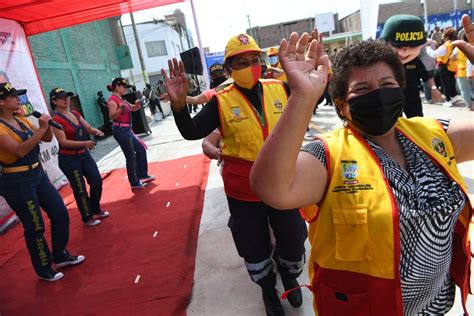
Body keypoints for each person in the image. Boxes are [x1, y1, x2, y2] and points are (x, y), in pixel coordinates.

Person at [250, 33, 473, 315]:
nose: (378, 94)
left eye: (387, 84)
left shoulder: (432, 134)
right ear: (342, 105)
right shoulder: (329, 155)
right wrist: (303, 98)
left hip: (435, 306)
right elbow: (271, 188)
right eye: (363, 89)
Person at [162, 33, 308, 316]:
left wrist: (308, 76)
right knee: (254, 247)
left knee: (293, 239)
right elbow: (192, 132)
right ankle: (268, 289)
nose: (251, 66)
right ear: (229, 70)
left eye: (255, 60)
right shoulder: (220, 100)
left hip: (282, 183)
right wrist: (179, 107)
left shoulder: (281, 88)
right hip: (243, 191)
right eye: (242, 62)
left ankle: (289, 276)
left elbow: (311, 104)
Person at [0, 83, 85, 282]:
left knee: (60, 213)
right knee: (35, 225)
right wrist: (41, 130)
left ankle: (60, 254)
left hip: (38, 174)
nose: (18, 99)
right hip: (17, 181)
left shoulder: (21, 120)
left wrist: (44, 126)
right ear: (1, 102)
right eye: (13, 96)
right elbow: (19, 150)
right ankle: (43, 267)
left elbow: (46, 139)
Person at [50, 87, 110, 226]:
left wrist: (96, 131)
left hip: (84, 155)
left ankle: (95, 208)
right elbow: (63, 142)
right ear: (54, 101)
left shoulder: (75, 114)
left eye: (68, 97)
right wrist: (85, 143)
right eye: (62, 97)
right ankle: (87, 217)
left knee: (96, 181)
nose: (66, 100)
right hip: (69, 159)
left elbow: (88, 128)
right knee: (80, 188)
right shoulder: (56, 120)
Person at [380, 14, 443, 117]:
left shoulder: (414, 61)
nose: (405, 51)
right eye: (398, 46)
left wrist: (433, 88)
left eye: (413, 46)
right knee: (393, 124)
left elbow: (426, 75)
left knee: (416, 122)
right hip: (389, 100)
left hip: (412, 97)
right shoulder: (381, 62)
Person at [106, 77, 155, 190]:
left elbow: (132, 108)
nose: (126, 89)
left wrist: (137, 105)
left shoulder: (121, 99)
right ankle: (134, 181)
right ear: (117, 86)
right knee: (130, 155)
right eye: (124, 87)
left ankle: (142, 174)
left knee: (141, 149)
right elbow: (111, 116)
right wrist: (120, 109)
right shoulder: (113, 100)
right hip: (121, 131)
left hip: (128, 130)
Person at [427, 27, 460, 107]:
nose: (442, 36)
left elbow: (434, 54)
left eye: (443, 35)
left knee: (445, 85)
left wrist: (428, 48)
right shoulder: (455, 44)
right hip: (452, 67)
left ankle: (448, 100)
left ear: (446, 36)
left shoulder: (445, 46)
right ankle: (454, 97)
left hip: (443, 67)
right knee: (451, 83)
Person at [450, 29, 474, 111]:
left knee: (464, 90)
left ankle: (468, 106)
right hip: (473, 71)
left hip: (462, 71)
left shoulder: (458, 48)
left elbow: (452, 58)